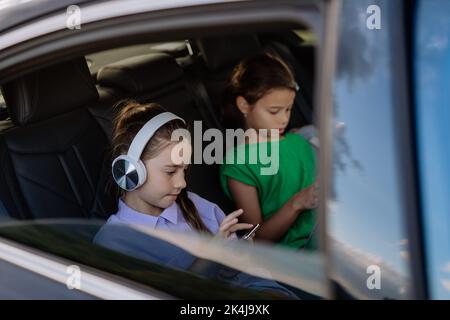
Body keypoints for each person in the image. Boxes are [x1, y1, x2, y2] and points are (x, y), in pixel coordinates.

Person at [94, 101, 297, 298]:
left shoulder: (195, 205)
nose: (182, 182)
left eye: (185, 169)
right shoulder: (113, 241)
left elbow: (247, 276)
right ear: (130, 169)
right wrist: (212, 258)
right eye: (171, 171)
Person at [220, 52, 319, 250]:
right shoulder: (240, 165)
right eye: (274, 111)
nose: (283, 119)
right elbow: (255, 238)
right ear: (244, 105)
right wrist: (297, 204)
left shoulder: (298, 141)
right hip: (300, 252)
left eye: (289, 109)